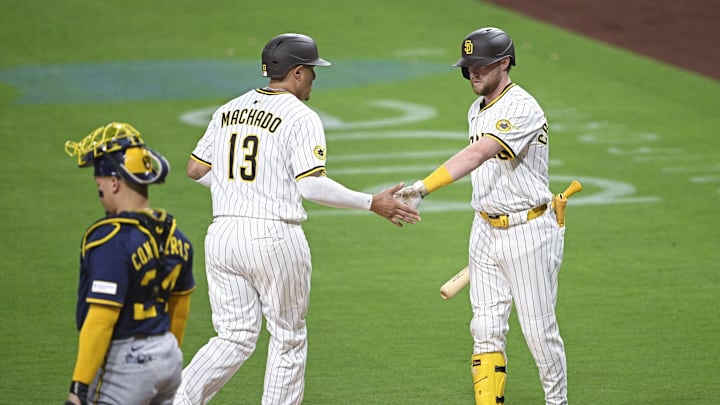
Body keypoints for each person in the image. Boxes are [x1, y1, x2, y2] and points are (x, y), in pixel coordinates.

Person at [175, 33, 420, 405]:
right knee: (288, 338)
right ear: (298, 72)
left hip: (223, 234)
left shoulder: (228, 109)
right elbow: (311, 186)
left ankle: (176, 399)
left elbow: (195, 168)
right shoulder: (300, 116)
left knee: (234, 336)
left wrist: (236, 191)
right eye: (313, 72)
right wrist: (372, 202)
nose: (315, 80)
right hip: (274, 237)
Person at [395, 27, 569, 405]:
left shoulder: (522, 107)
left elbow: (478, 155)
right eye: (467, 67)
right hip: (485, 230)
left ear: (504, 63)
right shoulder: (476, 109)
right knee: (485, 329)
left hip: (528, 230)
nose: (472, 73)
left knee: (539, 334)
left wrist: (424, 186)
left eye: (480, 66)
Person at [63, 122, 196, 405]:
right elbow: (180, 310)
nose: (101, 195)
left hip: (127, 365)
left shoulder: (112, 241)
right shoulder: (178, 238)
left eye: (100, 187)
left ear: (114, 183)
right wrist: (164, 353)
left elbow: (101, 319)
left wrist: (78, 387)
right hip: (168, 357)